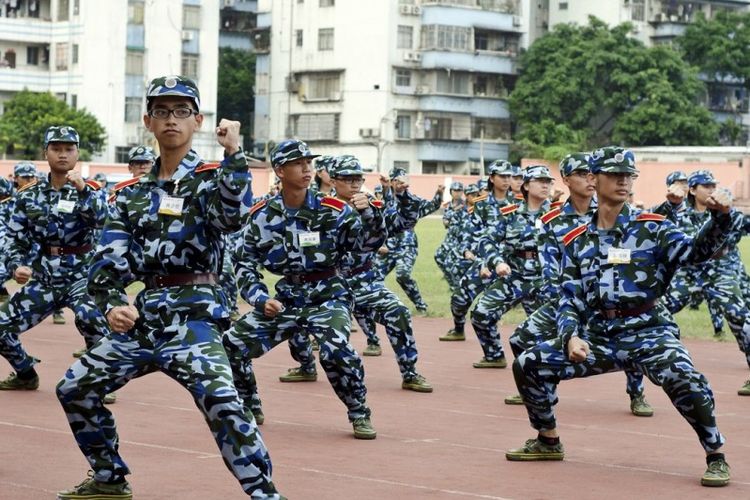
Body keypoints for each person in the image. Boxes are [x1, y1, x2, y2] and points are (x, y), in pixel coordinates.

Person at [55, 75, 282, 499]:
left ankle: (265, 494)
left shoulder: (214, 178)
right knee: (74, 387)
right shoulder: (130, 195)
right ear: (148, 121)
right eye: (161, 111)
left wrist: (234, 153)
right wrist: (111, 306)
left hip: (195, 317)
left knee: (223, 402)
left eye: (181, 111)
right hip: (146, 317)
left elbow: (231, 218)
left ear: (197, 120)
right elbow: (107, 264)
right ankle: (108, 478)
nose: (171, 119)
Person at [508, 146, 732, 488]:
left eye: (629, 175)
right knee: (528, 364)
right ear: (593, 179)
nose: (624, 181)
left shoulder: (652, 228)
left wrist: (720, 219)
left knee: (684, 377)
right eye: (615, 175)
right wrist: (571, 335)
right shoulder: (577, 240)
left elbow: (695, 252)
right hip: (599, 335)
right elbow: (569, 297)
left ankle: (715, 453)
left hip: (648, 331)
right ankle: (548, 440)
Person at [222, 139, 384, 440]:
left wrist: (371, 217)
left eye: (309, 162)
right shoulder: (261, 216)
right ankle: (249, 403)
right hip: (286, 300)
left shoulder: (334, 210)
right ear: (280, 171)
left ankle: (358, 411)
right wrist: (260, 298)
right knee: (231, 345)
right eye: (298, 163)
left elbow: (367, 247)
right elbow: (244, 264)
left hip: (328, 296)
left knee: (337, 351)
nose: (307, 168)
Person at [505, 153, 652, 416]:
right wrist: (563, 304)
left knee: (629, 338)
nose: (589, 179)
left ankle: (637, 394)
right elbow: (549, 268)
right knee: (521, 338)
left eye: (591, 173)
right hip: (570, 298)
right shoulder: (552, 221)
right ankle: (542, 389)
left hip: (610, 298)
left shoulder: (612, 210)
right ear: (566, 180)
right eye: (582, 174)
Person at [0, 126, 111, 394]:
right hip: (45, 278)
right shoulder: (28, 195)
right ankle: (26, 373)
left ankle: (99, 384)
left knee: (94, 322)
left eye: (69, 149)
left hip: (81, 277)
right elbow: (14, 237)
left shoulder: (91, 191)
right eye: (56, 149)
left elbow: (103, 221)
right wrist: (17, 265)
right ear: (45, 152)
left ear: (77, 153)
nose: (63, 155)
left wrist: (83, 190)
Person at [468, 165, 554, 368]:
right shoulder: (510, 214)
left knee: (549, 328)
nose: (545, 185)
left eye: (548, 181)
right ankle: (494, 355)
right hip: (514, 276)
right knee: (481, 314)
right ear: (526, 186)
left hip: (545, 279)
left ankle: (546, 368)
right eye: (540, 181)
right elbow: (486, 241)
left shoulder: (557, 214)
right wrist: (497, 262)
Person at [375, 167, 442, 313]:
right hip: (385, 244)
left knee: (403, 275)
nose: (401, 183)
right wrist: (386, 189)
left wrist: (439, 194)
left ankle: (420, 305)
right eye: (398, 180)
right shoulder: (382, 198)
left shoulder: (413, 201)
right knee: (374, 277)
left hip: (407, 244)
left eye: (404, 180)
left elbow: (432, 206)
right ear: (392, 182)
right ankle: (380, 306)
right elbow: (381, 212)